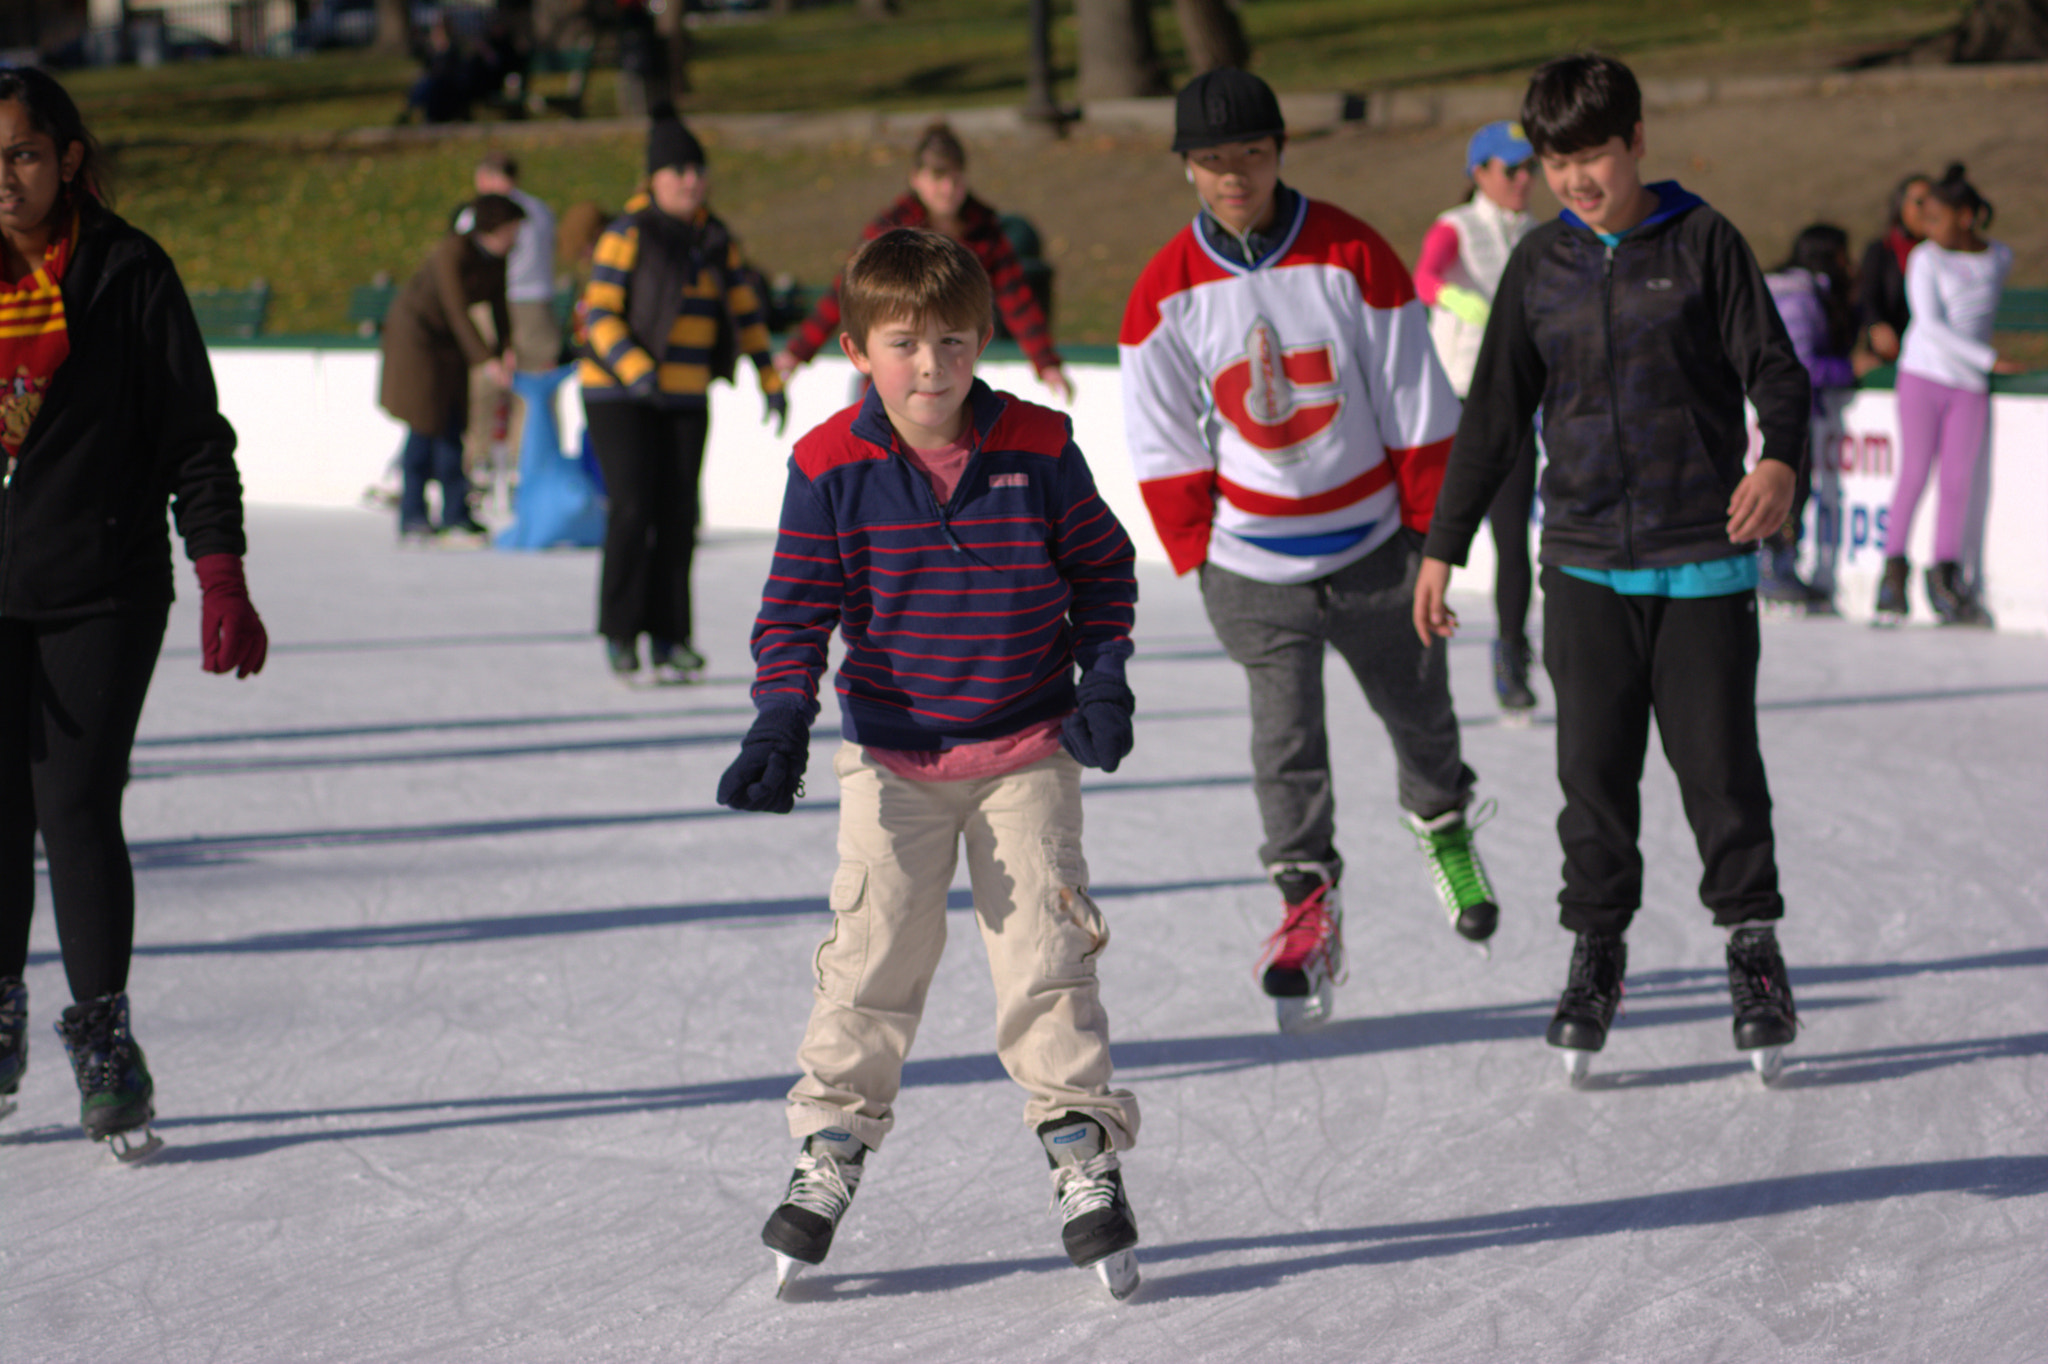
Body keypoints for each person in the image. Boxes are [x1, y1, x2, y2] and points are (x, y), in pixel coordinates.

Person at [717, 227, 1143, 1300]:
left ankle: (1081, 1153)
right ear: (859, 347)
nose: (930, 365)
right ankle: (828, 1150)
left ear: (981, 339)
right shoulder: (826, 464)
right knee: (868, 961)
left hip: (1026, 748)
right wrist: (779, 720)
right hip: (892, 758)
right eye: (903, 342)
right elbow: (794, 610)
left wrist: (1104, 677)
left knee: (1047, 960)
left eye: (952, 341)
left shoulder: (1038, 445)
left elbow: (1103, 571)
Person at [1413, 53, 1810, 1085]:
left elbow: (1776, 369)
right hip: (1583, 565)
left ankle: (1750, 949)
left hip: (1700, 565)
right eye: (1554, 160)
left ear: (1634, 141)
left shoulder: (1701, 240)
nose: (1576, 177)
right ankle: (1595, 954)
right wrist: (1442, 543)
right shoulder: (1538, 265)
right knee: (1589, 781)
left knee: (1720, 775)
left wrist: (1777, 458)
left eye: (1591, 153)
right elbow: (1493, 416)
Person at [1120, 68, 1500, 1036]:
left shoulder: (1350, 253)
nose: (1232, 176)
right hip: (1251, 568)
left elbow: (1417, 404)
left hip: (1377, 549)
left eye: (1248, 154)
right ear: (1185, 169)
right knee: (1283, 747)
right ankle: (1302, 906)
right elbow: (1161, 441)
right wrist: (1198, 560)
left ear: (1278, 149)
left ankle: (1443, 829)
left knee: (1421, 720)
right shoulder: (1162, 291)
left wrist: (1431, 547)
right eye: (1211, 161)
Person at [0, 67, 268, 1158]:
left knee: (71, 802)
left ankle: (103, 1036)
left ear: (67, 158)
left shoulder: (127, 271)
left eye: (21, 153)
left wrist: (220, 569)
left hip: (102, 585)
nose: (3, 179)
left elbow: (192, 436)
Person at [579, 108, 786, 683]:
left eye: (697, 170)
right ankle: (621, 633)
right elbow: (597, 313)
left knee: (679, 514)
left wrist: (769, 376)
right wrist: (636, 367)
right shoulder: (627, 233)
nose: (691, 181)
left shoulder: (717, 240)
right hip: (618, 393)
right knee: (633, 508)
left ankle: (671, 637)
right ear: (653, 179)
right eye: (677, 171)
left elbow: (746, 311)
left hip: (687, 394)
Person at [773, 122, 1074, 405]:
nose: (947, 189)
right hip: (890, 379)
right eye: (937, 178)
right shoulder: (891, 231)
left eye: (955, 179)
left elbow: (1017, 299)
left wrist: (1046, 362)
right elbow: (846, 293)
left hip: (948, 376)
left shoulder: (983, 231)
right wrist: (797, 352)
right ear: (916, 178)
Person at [1415, 119, 1542, 721]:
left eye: (1529, 169)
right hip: (1457, 402)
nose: (1524, 180)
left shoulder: (1540, 234)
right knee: (1434, 530)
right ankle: (1413, 652)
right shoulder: (1456, 225)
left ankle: (1511, 651)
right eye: (1511, 169)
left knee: (1513, 534)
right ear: (1480, 173)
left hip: (1514, 404)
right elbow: (1424, 277)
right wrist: (1461, 301)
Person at [1878, 163, 2016, 627]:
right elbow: (1931, 325)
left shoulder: (2000, 257)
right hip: (1923, 375)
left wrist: (1980, 368)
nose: (1928, 229)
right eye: (1926, 219)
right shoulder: (1925, 259)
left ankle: (1946, 578)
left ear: (1967, 216)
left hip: (1968, 388)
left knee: (1958, 481)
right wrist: (1989, 360)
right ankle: (1893, 574)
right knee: (1915, 472)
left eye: (1937, 218)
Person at [378, 193, 523, 542]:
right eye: (512, 230)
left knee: (453, 421)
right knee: (427, 422)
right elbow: (457, 308)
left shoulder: (495, 258)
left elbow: (499, 305)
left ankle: (455, 511)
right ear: (493, 228)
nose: (516, 238)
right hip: (416, 338)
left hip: (449, 343)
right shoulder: (452, 252)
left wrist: (506, 348)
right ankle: (414, 513)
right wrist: (486, 360)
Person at [1761, 223, 1861, 614]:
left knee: (1788, 482)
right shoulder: (1800, 298)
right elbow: (1799, 365)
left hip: (1775, 405)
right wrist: (1847, 368)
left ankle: (1778, 561)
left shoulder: (1787, 289)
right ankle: (1775, 562)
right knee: (1790, 484)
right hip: (1788, 408)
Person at [458, 154, 560, 496]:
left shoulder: (477, 214)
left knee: (483, 388)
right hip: (535, 305)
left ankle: (477, 464)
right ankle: (525, 466)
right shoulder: (541, 210)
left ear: (487, 177)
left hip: (492, 303)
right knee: (533, 393)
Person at [1854, 172, 1932, 366]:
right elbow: (1868, 296)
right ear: (1900, 206)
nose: (1928, 210)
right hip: (1891, 353)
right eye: (1920, 202)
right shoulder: (1881, 251)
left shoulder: (1944, 254)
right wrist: (1876, 325)